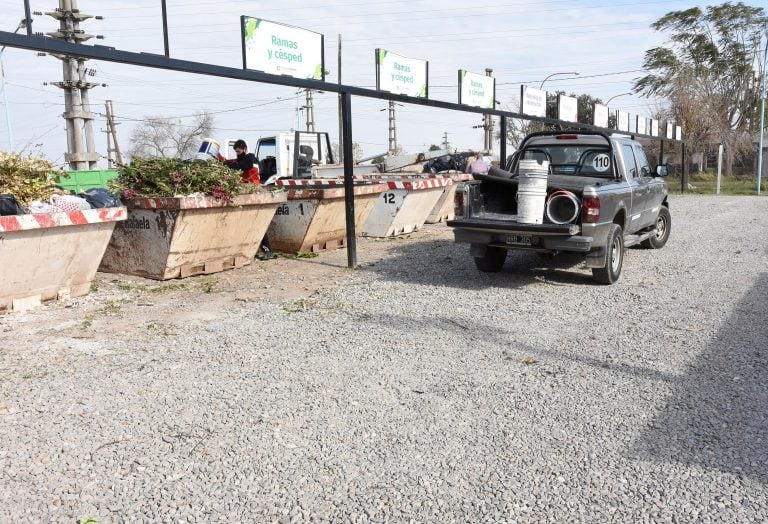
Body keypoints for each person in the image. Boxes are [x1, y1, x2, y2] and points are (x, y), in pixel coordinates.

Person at [222, 139, 274, 260]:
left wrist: (226, 164)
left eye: (239, 151)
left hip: (253, 193)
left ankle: (267, 250)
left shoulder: (250, 159)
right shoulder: (242, 159)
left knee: (258, 223)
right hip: (246, 194)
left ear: (245, 149)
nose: (237, 154)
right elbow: (234, 163)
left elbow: (239, 166)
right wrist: (221, 160)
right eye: (236, 152)